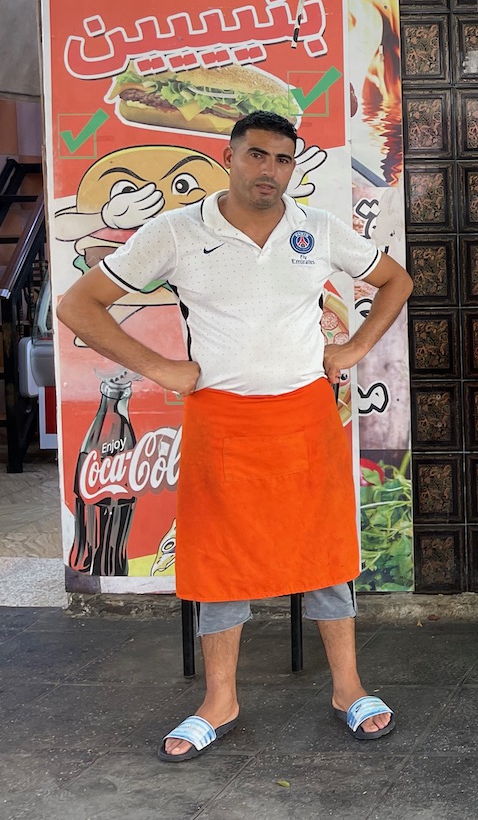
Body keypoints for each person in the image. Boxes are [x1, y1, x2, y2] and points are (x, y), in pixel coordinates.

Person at [57, 111, 414, 762]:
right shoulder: (177, 231)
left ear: (292, 167)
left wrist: (355, 346)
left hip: (306, 416)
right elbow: (78, 304)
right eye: (256, 155)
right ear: (228, 157)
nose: (268, 170)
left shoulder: (315, 229)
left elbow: (396, 280)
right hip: (222, 419)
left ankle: (348, 687)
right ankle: (219, 699)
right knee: (219, 564)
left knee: (326, 554)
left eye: (282, 159)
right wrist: (159, 366)